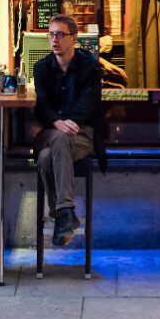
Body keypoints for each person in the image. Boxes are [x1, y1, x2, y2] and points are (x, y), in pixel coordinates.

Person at [32, 14, 102, 246]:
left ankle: (61, 216)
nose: (54, 39)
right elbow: (42, 103)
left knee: (44, 157)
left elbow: (88, 104)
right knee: (58, 138)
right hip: (52, 132)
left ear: (74, 38)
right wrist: (56, 122)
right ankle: (66, 211)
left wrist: (61, 120)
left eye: (60, 34)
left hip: (81, 134)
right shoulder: (41, 67)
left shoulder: (90, 66)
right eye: (51, 34)